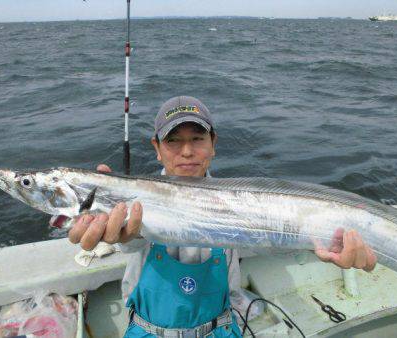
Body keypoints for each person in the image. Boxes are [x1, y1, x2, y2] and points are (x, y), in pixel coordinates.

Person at [68, 96, 377, 337]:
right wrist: (110, 226)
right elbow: (130, 241)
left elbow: (277, 233)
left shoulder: (242, 203)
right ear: (157, 149)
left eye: (197, 139)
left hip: (222, 330)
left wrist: (329, 244)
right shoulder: (133, 198)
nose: (186, 151)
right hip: (146, 332)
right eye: (173, 141)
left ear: (213, 144)